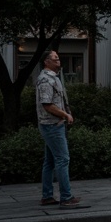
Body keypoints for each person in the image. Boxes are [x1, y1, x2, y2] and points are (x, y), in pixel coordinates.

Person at [36, 50, 81, 208]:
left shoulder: (53, 78)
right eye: (55, 59)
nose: (59, 61)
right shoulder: (46, 80)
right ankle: (66, 198)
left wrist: (67, 111)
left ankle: (47, 196)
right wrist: (65, 115)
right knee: (63, 159)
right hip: (52, 125)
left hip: (53, 125)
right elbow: (47, 105)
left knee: (49, 162)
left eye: (58, 58)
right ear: (46, 62)